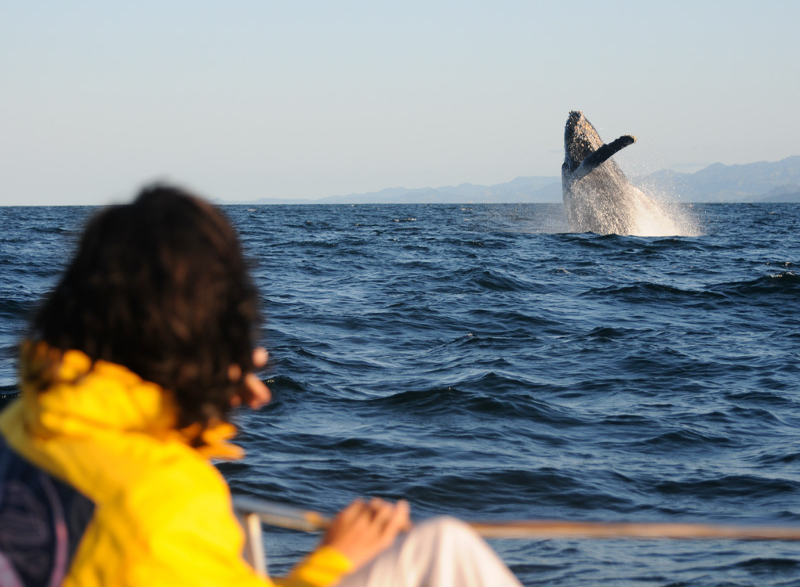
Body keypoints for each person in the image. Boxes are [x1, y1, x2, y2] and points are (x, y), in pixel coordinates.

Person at [0, 185, 521, 587]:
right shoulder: (160, 505)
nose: (260, 393)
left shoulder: (21, 426)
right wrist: (333, 559)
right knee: (446, 550)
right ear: (189, 339)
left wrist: (191, 396)